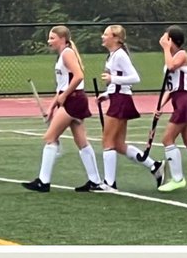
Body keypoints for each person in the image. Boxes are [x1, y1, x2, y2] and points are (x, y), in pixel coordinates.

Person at [23, 25, 104, 192]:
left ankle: (43, 182)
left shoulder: (67, 53)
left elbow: (79, 76)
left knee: (50, 137)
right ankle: (95, 181)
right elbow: (61, 87)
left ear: (62, 39)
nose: (49, 41)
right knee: (81, 141)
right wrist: (52, 106)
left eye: (52, 38)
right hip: (73, 99)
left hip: (74, 100)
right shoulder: (63, 55)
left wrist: (65, 95)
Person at [137, 25, 187, 194]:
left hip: (185, 100)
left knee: (167, 139)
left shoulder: (181, 55)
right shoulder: (171, 56)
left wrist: (166, 48)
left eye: (166, 37)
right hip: (178, 100)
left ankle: (177, 179)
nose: (163, 39)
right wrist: (160, 106)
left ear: (172, 40)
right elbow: (170, 88)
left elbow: (171, 67)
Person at [98, 24, 141, 191]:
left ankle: (109, 183)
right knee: (118, 143)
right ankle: (155, 166)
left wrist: (112, 79)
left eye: (106, 34)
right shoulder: (111, 56)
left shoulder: (120, 55)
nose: (102, 36)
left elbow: (135, 78)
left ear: (116, 38)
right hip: (117, 97)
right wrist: (107, 93)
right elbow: (117, 82)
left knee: (107, 141)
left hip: (121, 100)